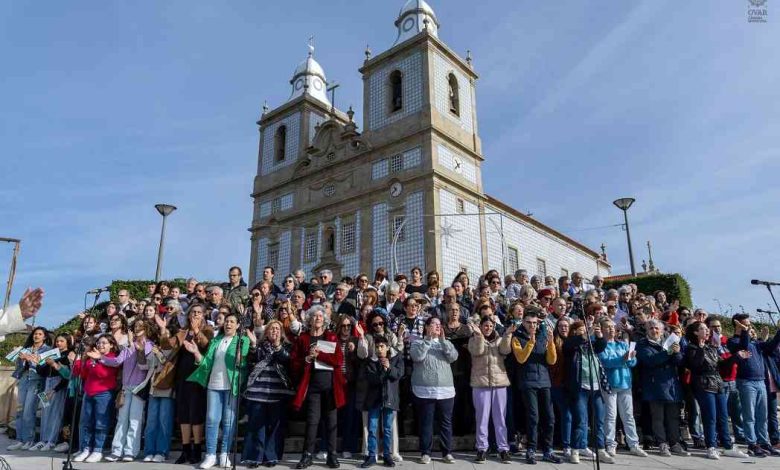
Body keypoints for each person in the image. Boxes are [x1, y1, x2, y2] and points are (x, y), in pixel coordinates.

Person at [186, 312, 250, 469]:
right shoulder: (215, 340)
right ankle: (210, 455)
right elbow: (206, 363)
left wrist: (240, 356)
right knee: (212, 420)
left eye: (232, 322)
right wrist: (195, 352)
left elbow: (242, 363)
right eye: (226, 321)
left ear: (238, 325)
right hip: (214, 385)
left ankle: (225, 454)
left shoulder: (242, 340)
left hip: (230, 386)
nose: (228, 324)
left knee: (228, 422)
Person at [684, 321, 749, 459]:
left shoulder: (711, 347)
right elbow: (695, 365)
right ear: (696, 332)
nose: (707, 331)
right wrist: (701, 348)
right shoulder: (691, 347)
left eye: (707, 329)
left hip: (718, 383)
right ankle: (711, 446)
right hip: (703, 384)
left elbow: (722, 364)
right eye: (703, 329)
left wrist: (737, 357)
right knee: (710, 417)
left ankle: (727, 446)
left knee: (723, 416)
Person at [291, 305, 346, 469]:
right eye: (314, 316)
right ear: (309, 319)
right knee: (312, 421)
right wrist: (307, 359)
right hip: (312, 387)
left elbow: (338, 360)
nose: (317, 319)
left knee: (331, 422)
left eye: (320, 316)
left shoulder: (331, 337)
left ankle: (332, 455)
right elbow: (294, 363)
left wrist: (319, 355)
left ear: (325, 320)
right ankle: (307, 455)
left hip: (330, 386)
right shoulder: (303, 338)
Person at [160, 304, 215, 465]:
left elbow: (206, 345)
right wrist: (163, 330)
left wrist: (197, 331)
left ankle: (197, 449)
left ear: (203, 315)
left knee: (195, 414)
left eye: (199, 313)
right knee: (183, 415)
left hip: (197, 377)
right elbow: (166, 345)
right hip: (181, 377)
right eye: (193, 312)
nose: (196, 315)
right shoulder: (182, 331)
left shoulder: (208, 331)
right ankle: (185, 450)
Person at [242, 320, 294, 468]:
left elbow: (286, 360)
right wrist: (253, 345)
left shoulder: (287, 346)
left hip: (278, 393)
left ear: (281, 332)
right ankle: (254, 458)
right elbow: (252, 360)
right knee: (256, 426)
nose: (275, 331)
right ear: (266, 332)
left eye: (277, 329)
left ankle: (271, 456)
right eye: (272, 329)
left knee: (275, 427)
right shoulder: (259, 346)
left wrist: (277, 345)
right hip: (258, 392)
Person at [512, 307, 561, 464]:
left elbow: (551, 360)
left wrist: (551, 342)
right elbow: (521, 358)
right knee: (533, 417)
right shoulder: (517, 336)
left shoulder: (543, 335)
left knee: (550, 417)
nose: (532, 325)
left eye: (535, 323)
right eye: (529, 323)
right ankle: (531, 449)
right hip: (528, 382)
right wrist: (531, 342)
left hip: (544, 380)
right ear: (523, 322)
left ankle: (548, 450)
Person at [727, 313, 780, 456]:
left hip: (761, 382)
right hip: (746, 382)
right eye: (745, 324)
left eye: (749, 324)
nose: (749, 326)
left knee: (763, 415)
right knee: (749, 415)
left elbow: (770, 346)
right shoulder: (733, 341)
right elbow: (742, 347)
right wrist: (744, 331)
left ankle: (764, 442)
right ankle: (752, 444)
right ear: (737, 324)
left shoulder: (756, 343)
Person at [103, 320, 155, 462]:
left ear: (146, 329)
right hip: (126, 388)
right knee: (122, 419)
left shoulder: (149, 345)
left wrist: (139, 350)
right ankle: (117, 450)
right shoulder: (127, 348)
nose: (137, 328)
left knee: (135, 420)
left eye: (140, 326)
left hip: (139, 388)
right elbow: (116, 361)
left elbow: (145, 366)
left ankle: (130, 451)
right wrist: (101, 357)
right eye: (135, 326)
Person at [636, 319, 689, 457]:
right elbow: (650, 360)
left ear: (662, 330)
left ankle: (675, 443)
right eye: (651, 328)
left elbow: (679, 361)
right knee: (658, 418)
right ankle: (662, 443)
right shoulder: (642, 344)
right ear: (647, 330)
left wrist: (676, 352)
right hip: (655, 386)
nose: (654, 330)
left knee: (673, 417)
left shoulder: (669, 342)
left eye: (657, 328)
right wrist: (669, 352)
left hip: (671, 385)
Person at [563, 320, 613, 464]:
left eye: (584, 329)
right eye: (579, 330)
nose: (583, 332)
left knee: (599, 419)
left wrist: (598, 336)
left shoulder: (590, 344)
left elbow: (601, 347)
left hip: (596, 386)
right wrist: (584, 335)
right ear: (574, 332)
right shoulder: (571, 344)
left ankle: (601, 449)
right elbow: (568, 346)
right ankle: (575, 450)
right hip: (580, 387)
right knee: (580, 419)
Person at [410, 317, 459, 464]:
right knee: (426, 422)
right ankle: (425, 452)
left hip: (446, 390)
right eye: (434, 324)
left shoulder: (446, 343)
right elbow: (417, 357)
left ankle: (447, 452)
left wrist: (443, 342)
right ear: (426, 327)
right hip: (425, 390)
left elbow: (453, 357)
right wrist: (427, 341)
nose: (438, 327)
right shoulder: (417, 342)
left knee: (446, 422)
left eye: (439, 324)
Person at [597, 318, 647, 457]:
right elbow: (605, 362)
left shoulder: (622, 344)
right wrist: (623, 359)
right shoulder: (601, 345)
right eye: (607, 327)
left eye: (613, 327)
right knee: (611, 415)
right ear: (601, 329)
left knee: (628, 416)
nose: (611, 329)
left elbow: (632, 363)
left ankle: (633, 444)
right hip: (609, 384)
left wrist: (631, 358)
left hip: (625, 383)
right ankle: (610, 443)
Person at [469, 316, 514, 464]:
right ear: (480, 326)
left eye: (490, 326)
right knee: (481, 418)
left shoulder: (499, 340)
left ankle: (503, 449)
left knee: (500, 418)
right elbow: (477, 351)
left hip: (499, 383)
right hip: (480, 383)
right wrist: (479, 336)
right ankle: (482, 448)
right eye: (485, 326)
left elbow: (506, 350)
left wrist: (507, 335)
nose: (488, 328)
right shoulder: (474, 339)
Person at [72, 334, 121, 463]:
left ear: (111, 345)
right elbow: (80, 373)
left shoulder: (112, 358)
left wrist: (97, 360)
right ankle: (86, 448)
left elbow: (103, 374)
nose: (100, 345)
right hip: (89, 392)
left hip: (103, 394)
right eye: (99, 343)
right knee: (88, 422)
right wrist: (80, 360)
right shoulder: (92, 357)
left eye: (104, 343)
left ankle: (97, 450)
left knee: (101, 423)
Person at [7, 326, 53, 450]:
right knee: (20, 411)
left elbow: (44, 367)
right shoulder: (26, 349)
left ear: (44, 336)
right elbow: (19, 367)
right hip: (24, 380)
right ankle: (20, 440)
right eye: (35, 333)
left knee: (29, 411)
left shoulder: (47, 350)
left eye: (39, 334)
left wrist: (30, 359)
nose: (36, 336)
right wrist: (20, 358)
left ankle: (29, 440)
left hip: (36, 381)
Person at [361, 336, 404, 468]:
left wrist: (389, 367)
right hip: (374, 400)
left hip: (389, 399)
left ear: (387, 347)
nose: (379, 350)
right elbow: (372, 379)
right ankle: (372, 455)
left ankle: (387, 455)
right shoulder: (371, 362)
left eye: (382, 347)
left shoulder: (396, 359)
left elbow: (399, 374)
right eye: (377, 347)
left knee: (387, 429)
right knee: (372, 429)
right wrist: (382, 369)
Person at [31, 332, 73, 452]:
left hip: (57, 386)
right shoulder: (52, 353)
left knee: (55, 414)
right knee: (45, 412)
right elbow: (41, 372)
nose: (58, 343)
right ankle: (43, 440)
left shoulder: (67, 355)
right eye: (57, 341)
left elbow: (67, 377)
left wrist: (54, 390)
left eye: (62, 341)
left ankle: (52, 440)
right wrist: (40, 363)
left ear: (67, 343)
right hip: (47, 384)